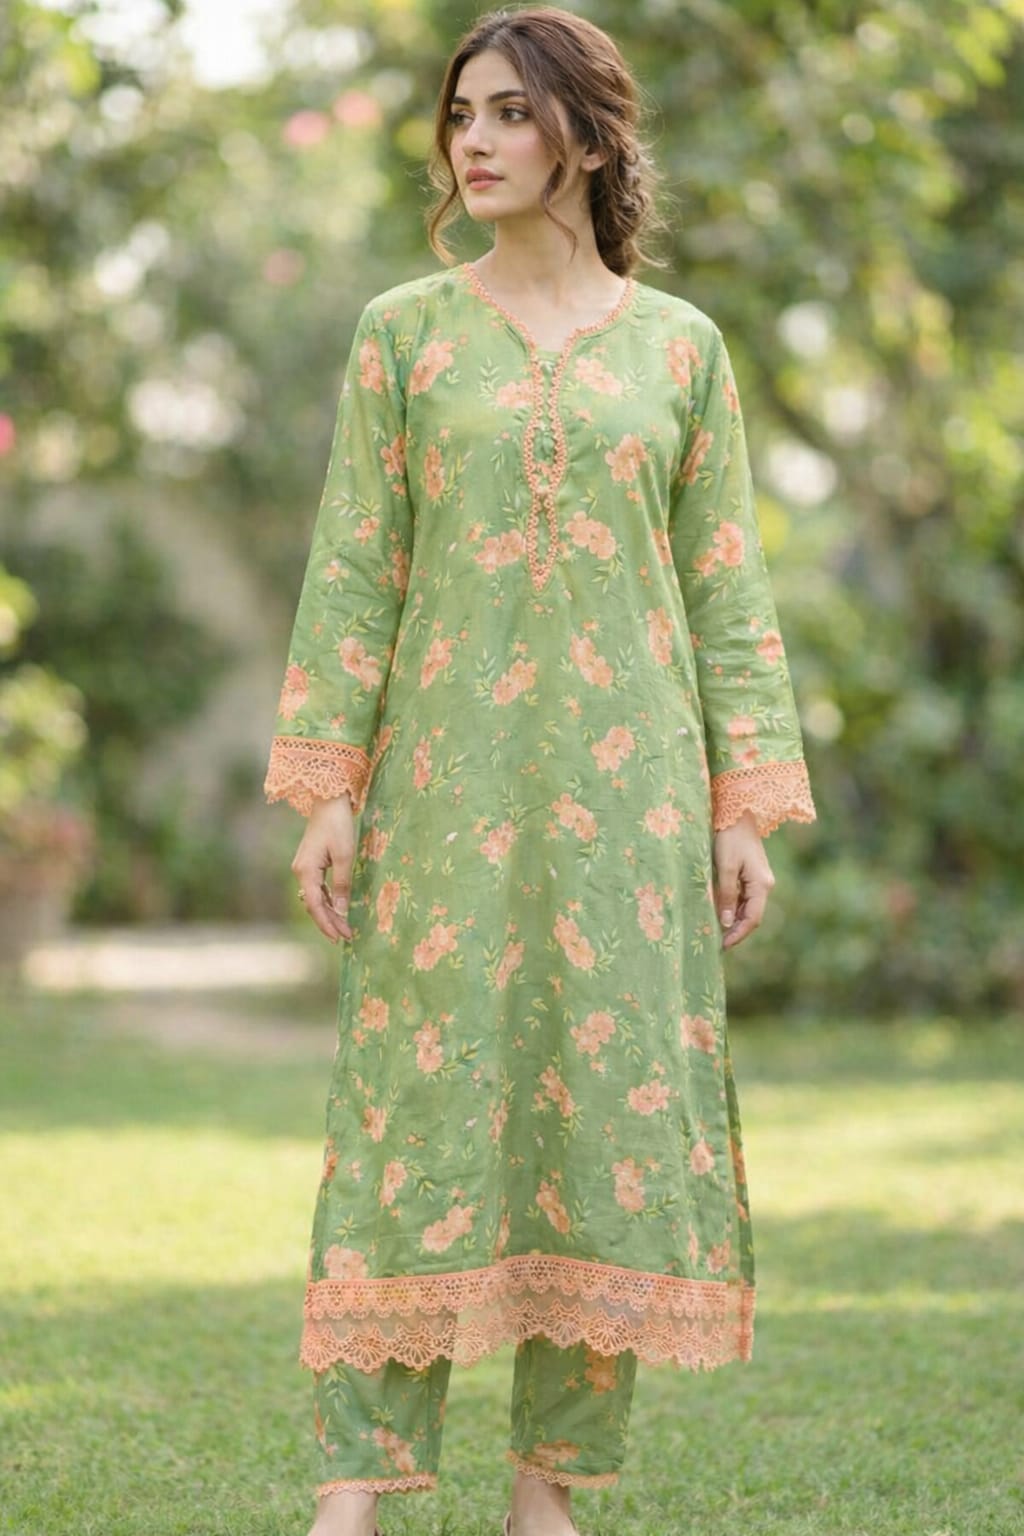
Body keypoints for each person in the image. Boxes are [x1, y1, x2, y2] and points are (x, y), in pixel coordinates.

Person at [263, 8, 817, 1535]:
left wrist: (745, 806)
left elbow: (726, 590)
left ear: (587, 131)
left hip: (630, 803)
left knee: (604, 1118)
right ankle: (356, 1483)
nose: (478, 141)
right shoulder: (404, 336)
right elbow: (356, 566)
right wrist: (329, 785)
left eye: (511, 112)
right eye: (463, 115)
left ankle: (548, 1490)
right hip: (445, 790)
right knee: (411, 1109)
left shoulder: (682, 348)